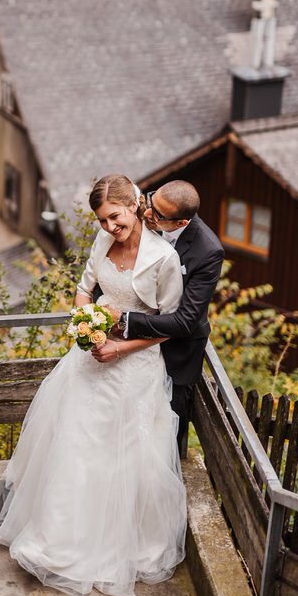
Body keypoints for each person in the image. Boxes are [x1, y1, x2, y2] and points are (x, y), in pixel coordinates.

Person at [0, 174, 188, 596]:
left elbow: (169, 327)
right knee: (75, 444)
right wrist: (87, 326)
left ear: (135, 205)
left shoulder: (163, 260)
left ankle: (117, 544)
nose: (109, 229)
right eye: (102, 221)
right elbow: (85, 291)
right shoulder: (102, 244)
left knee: (122, 455)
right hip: (91, 360)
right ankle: (60, 538)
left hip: (134, 367)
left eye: (115, 218)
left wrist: (120, 349)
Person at [93, 180, 224, 458]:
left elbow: (184, 321)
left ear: (180, 223)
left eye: (158, 215)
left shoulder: (207, 251)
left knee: (164, 434)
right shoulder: (146, 206)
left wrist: (125, 319)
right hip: (127, 347)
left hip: (176, 350)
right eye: (149, 202)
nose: (147, 213)